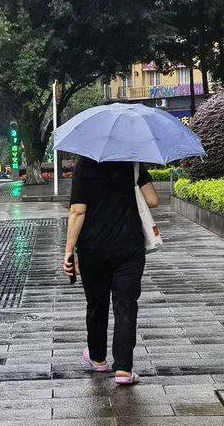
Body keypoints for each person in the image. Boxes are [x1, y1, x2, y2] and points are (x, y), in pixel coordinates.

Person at [63, 158, 159, 385]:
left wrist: (68, 251)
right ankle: (124, 369)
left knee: (96, 303)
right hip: (129, 248)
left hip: (92, 249)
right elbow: (153, 200)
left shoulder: (84, 166)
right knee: (125, 304)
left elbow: (77, 211)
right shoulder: (133, 164)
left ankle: (97, 359)